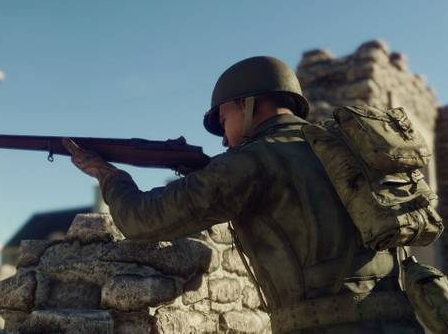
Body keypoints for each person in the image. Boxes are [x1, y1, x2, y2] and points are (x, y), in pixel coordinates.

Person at [62, 56, 423, 333]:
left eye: (223, 121)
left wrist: (108, 175)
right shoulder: (342, 149)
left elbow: (140, 219)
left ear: (248, 104)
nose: (223, 139)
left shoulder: (251, 161)